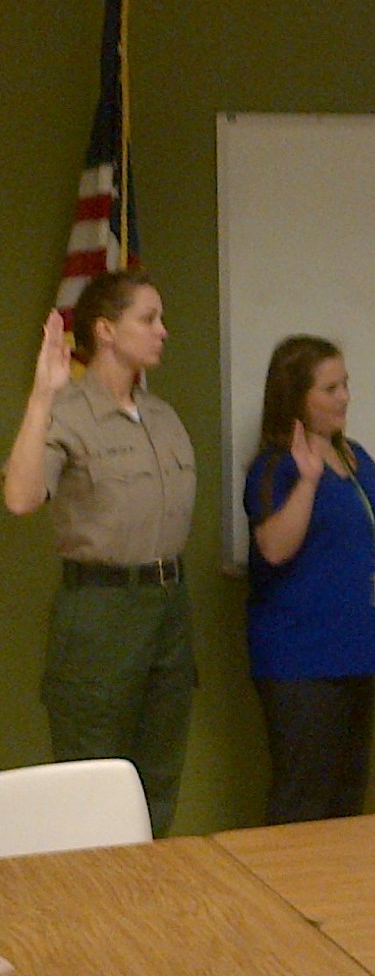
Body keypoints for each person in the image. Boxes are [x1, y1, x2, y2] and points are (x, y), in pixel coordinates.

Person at [3, 270, 196, 836]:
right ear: (107, 330)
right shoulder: (67, 411)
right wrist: (42, 395)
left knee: (158, 778)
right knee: (94, 781)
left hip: (168, 608)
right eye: (148, 318)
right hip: (100, 613)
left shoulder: (162, 416)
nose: (162, 330)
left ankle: (150, 904)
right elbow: (20, 498)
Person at [244, 335, 375, 824]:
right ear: (296, 397)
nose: (343, 398)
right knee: (304, 797)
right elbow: (274, 548)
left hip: (358, 650)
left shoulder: (357, 458)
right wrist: (308, 480)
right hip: (303, 659)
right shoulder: (274, 467)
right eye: (329, 388)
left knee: (347, 797)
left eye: (345, 385)